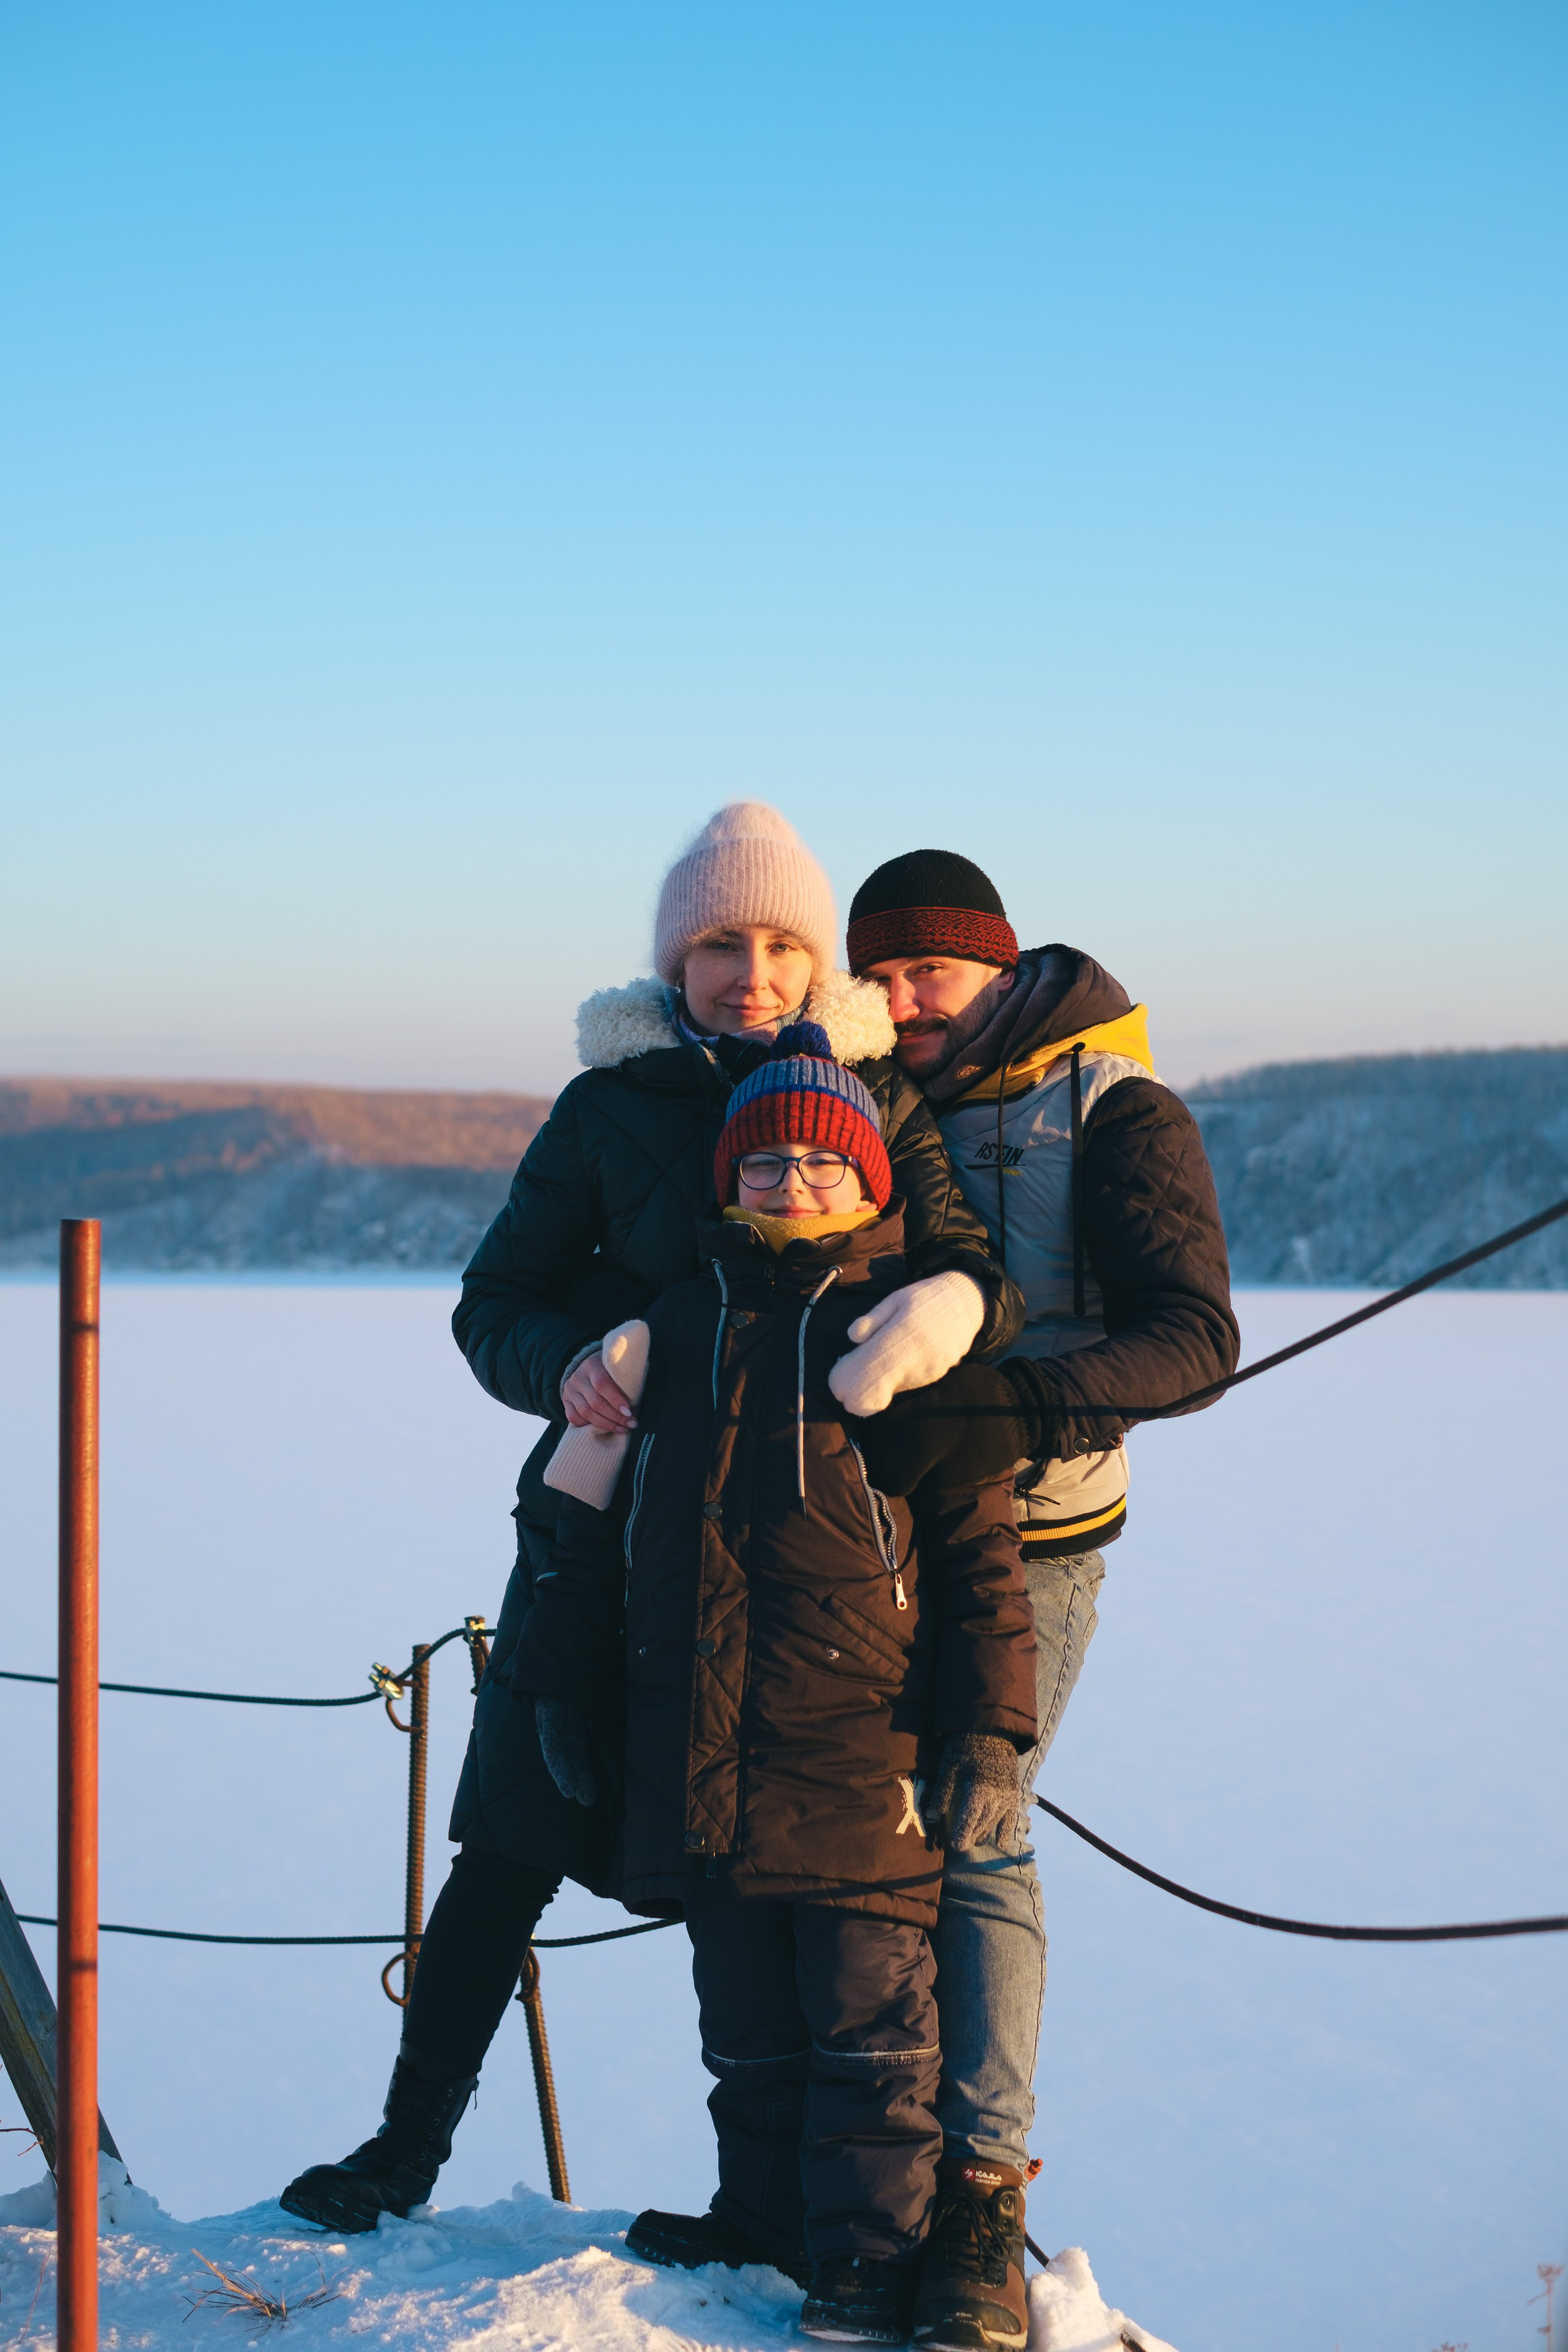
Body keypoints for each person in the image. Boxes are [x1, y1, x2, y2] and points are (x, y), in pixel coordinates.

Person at [279, 805, 1020, 2237]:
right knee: (506, 1835)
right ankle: (401, 2151)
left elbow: (963, 1269)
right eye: (717, 945)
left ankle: (850, 2219)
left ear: (818, 964)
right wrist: (561, 1364)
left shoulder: (880, 1101)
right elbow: (492, 1303)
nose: (750, 971)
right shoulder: (605, 1109)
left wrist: (932, 1319)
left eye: (780, 945)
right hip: (610, 1532)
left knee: (815, 1887)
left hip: (814, 1556)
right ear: (671, 963)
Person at [513, 1023, 1038, 2346]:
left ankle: (864, 2260)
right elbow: (575, 1534)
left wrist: (984, 1734)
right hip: (698, 1748)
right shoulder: (667, 1333)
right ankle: (758, 2217)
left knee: (871, 2036)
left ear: (873, 1185)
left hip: (859, 1758)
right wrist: (561, 1698)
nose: (792, 1180)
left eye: (822, 1160)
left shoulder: (904, 1338)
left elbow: (980, 1562)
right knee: (742, 2025)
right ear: (725, 1182)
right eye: (763, 1162)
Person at [837, 848, 1240, 2339]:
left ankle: (981, 2204)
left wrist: (1013, 1409)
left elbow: (1192, 1338)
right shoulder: (879, 1093)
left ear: (996, 965)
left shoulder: (1115, 1109)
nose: (899, 1002)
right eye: (873, 976)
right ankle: (856, 2175)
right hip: (856, 1540)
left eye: (924, 973)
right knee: (852, 1847)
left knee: (975, 1826)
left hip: (1034, 1543)